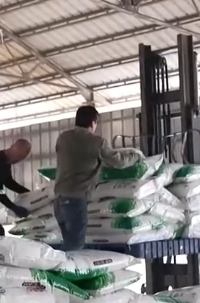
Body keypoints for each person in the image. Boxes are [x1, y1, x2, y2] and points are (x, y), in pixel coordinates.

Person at [53, 106, 141, 251]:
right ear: (93, 123)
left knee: (68, 245)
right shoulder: (97, 142)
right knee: (75, 247)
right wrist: (135, 156)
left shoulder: (63, 138)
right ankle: (64, 266)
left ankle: (59, 264)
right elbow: (118, 162)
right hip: (75, 201)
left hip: (58, 201)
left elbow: (74, 159)